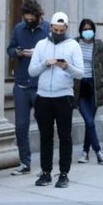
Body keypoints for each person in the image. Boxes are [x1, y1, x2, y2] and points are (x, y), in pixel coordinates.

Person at [28, 12, 83, 188]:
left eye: (62, 30)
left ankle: (64, 173)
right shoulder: (41, 45)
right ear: (50, 27)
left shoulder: (73, 45)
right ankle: (45, 172)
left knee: (64, 136)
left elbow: (81, 73)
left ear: (66, 28)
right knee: (46, 136)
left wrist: (66, 66)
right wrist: (45, 63)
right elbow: (32, 71)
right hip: (43, 96)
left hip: (64, 96)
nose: (58, 32)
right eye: (55, 29)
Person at [6, 0, 50, 175]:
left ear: (39, 17)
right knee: (20, 126)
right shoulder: (19, 28)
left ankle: (46, 165)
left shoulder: (48, 29)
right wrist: (18, 52)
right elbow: (9, 50)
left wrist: (38, 54)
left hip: (41, 85)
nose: (29, 21)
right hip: (22, 84)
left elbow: (57, 51)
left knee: (44, 126)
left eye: (32, 19)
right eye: (26, 19)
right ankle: (25, 162)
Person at [74, 19, 103, 165]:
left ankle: (85, 152)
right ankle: (99, 152)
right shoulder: (74, 44)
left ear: (94, 30)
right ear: (81, 31)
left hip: (95, 88)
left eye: (90, 29)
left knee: (90, 123)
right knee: (89, 121)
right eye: (84, 29)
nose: (87, 32)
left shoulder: (100, 45)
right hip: (80, 87)